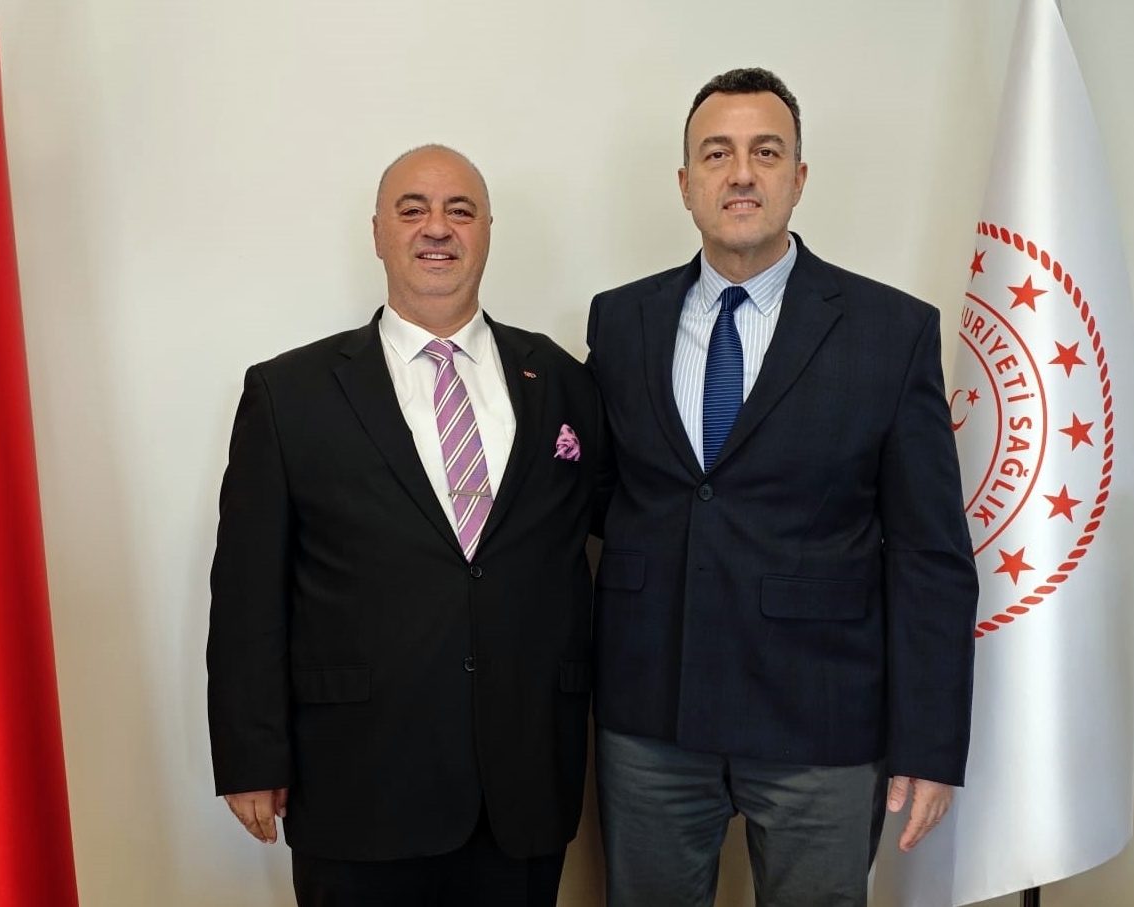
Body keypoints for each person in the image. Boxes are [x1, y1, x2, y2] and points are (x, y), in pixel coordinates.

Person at [586, 68, 979, 906]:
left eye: (765, 153)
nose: (741, 174)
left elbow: (930, 554)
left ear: (799, 178)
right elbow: (598, 499)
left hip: (821, 725)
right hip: (650, 717)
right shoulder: (619, 322)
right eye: (716, 154)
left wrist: (929, 741)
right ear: (684, 182)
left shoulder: (891, 332)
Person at [207, 144, 604, 907]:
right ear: (379, 232)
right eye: (413, 209)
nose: (438, 227)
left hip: (522, 782)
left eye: (460, 210)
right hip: (357, 781)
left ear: (487, 229)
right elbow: (248, 590)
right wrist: (252, 753)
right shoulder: (290, 393)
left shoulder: (562, 380)